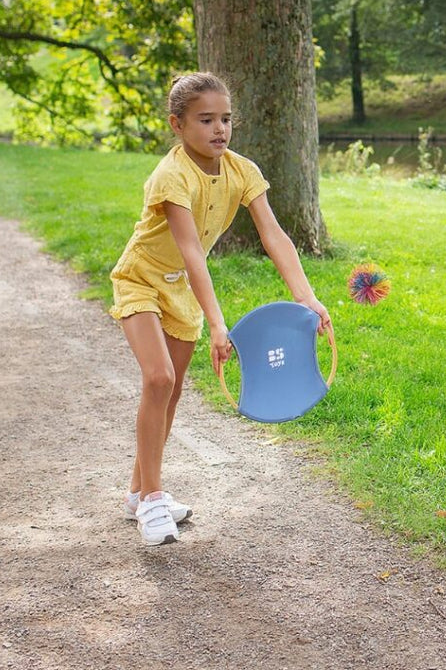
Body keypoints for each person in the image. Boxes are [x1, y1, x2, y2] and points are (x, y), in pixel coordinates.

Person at [110, 72, 333, 545]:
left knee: (169, 395)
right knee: (159, 378)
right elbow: (191, 253)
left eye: (226, 119)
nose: (220, 129)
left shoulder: (242, 170)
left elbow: (274, 236)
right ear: (177, 124)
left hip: (181, 294)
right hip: (141, 279)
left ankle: (138, 492)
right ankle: (152, 499)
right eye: (206, 119)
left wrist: (306, 297)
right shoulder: (171, 176)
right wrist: (218, 323)